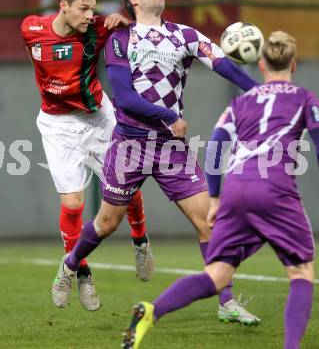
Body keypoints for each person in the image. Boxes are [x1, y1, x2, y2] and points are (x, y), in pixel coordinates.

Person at [52, 0, 260, 324]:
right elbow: (124, 97)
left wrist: (261, 92)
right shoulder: (120, 38)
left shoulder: (186, 35)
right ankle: (70, 265)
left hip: (171, 149)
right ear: (133, 1)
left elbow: (226, 67)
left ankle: (226, 300)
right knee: (105, 223)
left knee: (208, 222)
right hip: (130, 143)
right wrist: (167, 115)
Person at [122, 30, 318, 349]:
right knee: (300, 272)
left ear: (262, 66)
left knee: (217, 275)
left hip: (235, 189)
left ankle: (151, 311)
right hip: (275, 190)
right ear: (293, 65)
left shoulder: (240, 102)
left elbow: (215, 147)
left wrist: (214, 197)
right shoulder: (305, 98)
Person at [20, 0, 154, 311]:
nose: (88, 15)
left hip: (98, 118)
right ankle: (81, 274)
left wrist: (120, 20)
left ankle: (140, 242)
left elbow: (132, 30)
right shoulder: (32, 29)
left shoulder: (99, 27)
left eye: (92, 7)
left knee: (128, 189)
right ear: (63, 6)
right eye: (82, 8)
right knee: (74, 204)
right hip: (57, 125)